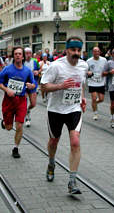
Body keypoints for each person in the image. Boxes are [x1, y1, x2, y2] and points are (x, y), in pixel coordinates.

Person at [40, 36, 88, 195]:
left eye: (78, 50)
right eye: (73, 50)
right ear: (67, 50)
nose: (76, 53)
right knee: (54, 141)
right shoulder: (56, 66)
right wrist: (61, 86)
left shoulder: (83, 65)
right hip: (55, 110)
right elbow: (44, 86)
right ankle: (51, 163)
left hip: (74, 109)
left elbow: (80, 83)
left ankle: (72, 181)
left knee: (75, 142)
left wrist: (82, 97)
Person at [0, 47, 36, 158]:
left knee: (19, 126)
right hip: (9, 101)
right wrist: (7, 89)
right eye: (16, 54)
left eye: (20, 54)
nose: (18, 55)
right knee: (8, 127)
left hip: (21, 100)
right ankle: (4, 123)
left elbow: (33, 84)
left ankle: (16, 148)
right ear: (13, 56)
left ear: (23, 57)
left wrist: (32, 86)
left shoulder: (27, 71)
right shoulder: (8, 69)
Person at [86, 47, 107, 120]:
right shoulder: (89, 61)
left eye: (98, 51)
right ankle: (95, 113)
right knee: (94, 98)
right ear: (93, 52)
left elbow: (107, 69)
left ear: (100, 52)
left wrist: (106, 73)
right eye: (95, 51)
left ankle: (94, 104)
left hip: (101, 82)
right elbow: (85, 70)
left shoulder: (104, 60)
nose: (96, 53)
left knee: (101, 99)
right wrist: (88, 72)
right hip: (92, 82)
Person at [23, 47, 40, 127]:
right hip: (24, 84)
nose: (28, 55)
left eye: (29, 53)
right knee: (24, 101)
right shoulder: (21, 62)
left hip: (33, 84)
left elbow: (39, 70)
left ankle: (28, 111)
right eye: (26, 53)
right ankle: (27, 118)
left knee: (33, 104)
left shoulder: (35, 61)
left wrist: (37, 72)